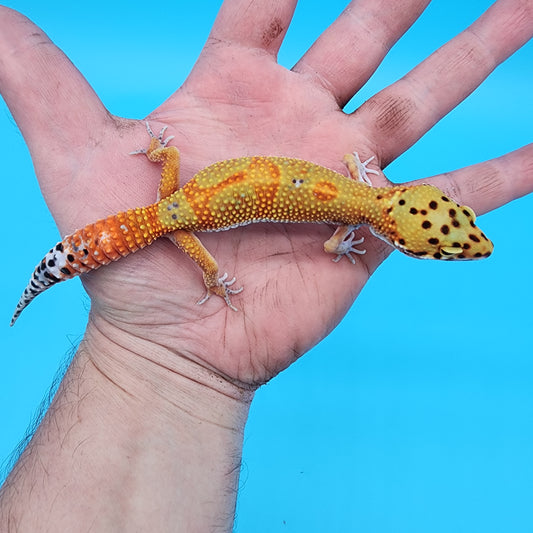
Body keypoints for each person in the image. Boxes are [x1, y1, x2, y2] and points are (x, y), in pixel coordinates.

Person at [0, 0, 531, 530]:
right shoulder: (357, 217)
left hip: (184, 190)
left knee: (166, 219)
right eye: (444, 245)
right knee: (183, 240)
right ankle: (80, 274)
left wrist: (167, 155)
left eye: (448, 241)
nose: (455, 246)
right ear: (403, 238)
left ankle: (64, 263)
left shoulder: (357, 186)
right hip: (186, 217)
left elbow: (354, 164)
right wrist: (218, 277)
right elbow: (332, 244)